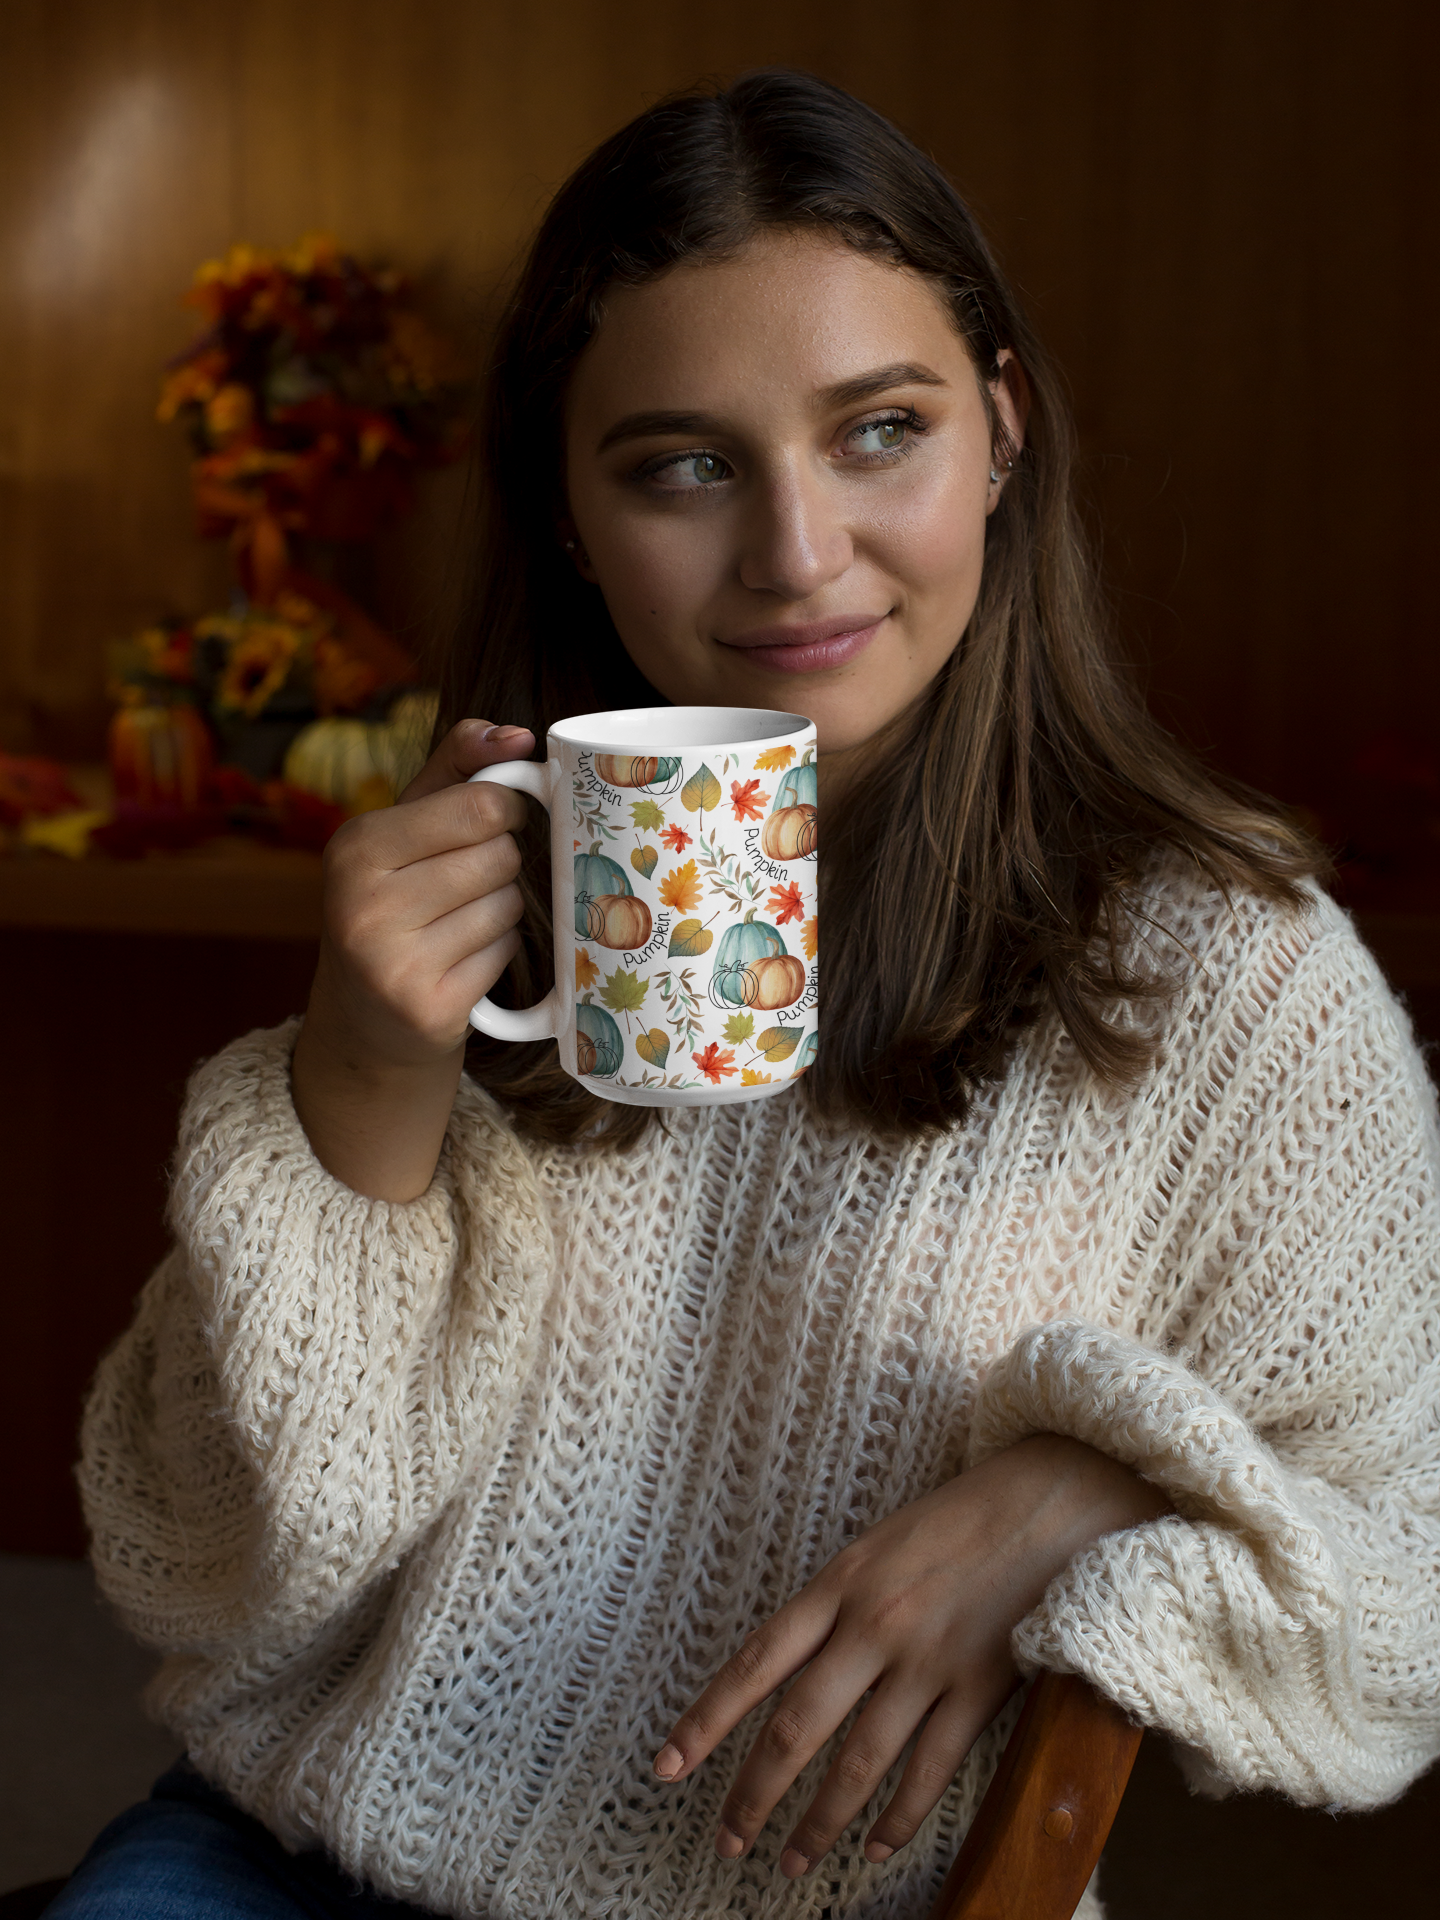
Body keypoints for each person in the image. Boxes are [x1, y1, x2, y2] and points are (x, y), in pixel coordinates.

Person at [60, 69, 1439, 1920]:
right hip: (295, 1857)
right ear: (565, 508)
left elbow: (1405, 1568)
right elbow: (195, 1564)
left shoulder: (1228, 980)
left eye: (880, 430)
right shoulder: (462, 903)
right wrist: (360, 1078)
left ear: (1003, 433)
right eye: (683, 464)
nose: (795, 554)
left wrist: (1084, 1490)